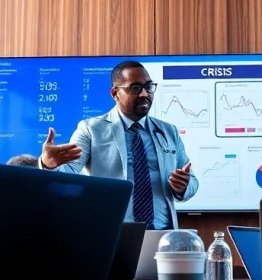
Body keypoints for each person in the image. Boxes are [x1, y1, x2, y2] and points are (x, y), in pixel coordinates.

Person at [39, 60, 198, 230]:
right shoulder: (91, 129)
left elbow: (192, 181)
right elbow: (69, 173)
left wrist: (183, 186)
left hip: (163, 235)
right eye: (135, 88)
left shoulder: (168, 131)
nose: (145, 94)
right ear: (115, 93)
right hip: (111, 233)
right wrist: (49, 165)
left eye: (149, 87)